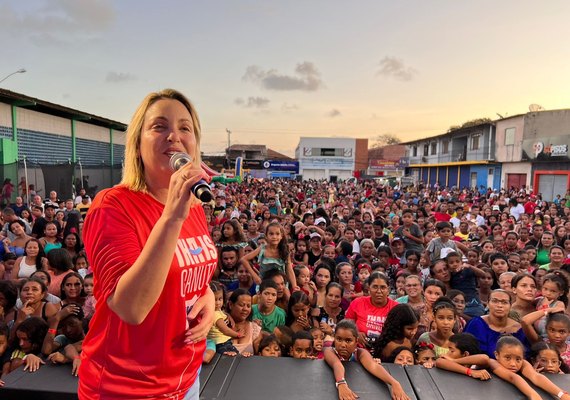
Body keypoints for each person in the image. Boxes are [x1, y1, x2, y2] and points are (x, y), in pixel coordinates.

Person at [78, 89, 216, 400]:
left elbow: (183, 273)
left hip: (185, 379)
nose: (174, 137)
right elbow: (131, 308)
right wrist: (171, 219)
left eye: (184, 128)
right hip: (126, 387)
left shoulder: (193, 206)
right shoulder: (112, 206)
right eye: (159, 126)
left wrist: (208, 296)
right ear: (138, 145)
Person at [324, 320, 410, 400]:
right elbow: (337, 365)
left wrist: (394, 383)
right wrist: (341, 384)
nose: (343, 345)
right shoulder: (329, 351)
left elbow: (373, 366)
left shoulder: (360, 353)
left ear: (356, 341)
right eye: (339, 339)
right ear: (334, 338)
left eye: (348, 340)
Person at [464, 289, 528, 359]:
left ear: (510, 306)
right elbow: (465, 350)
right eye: (495, 301)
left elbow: (525, 356)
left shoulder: (519, 329)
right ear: (488, 304)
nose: (499, 305)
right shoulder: (476, 323)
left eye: (504, 302)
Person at [345, 271, 398, 349]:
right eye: (375, 287)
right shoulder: (357, 303)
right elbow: (346, 327)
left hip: (386, 350)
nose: (379, 291)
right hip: (358, 349)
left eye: (383, 287)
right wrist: (355, 334)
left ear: (388, 290)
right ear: (369, 288)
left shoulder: (396, 308)